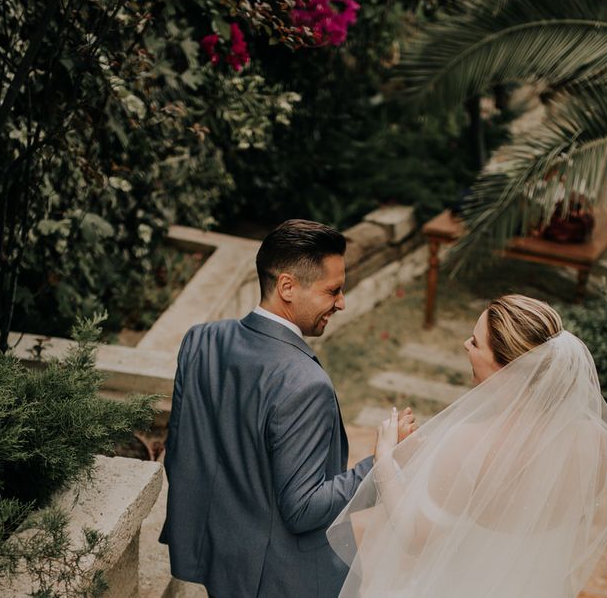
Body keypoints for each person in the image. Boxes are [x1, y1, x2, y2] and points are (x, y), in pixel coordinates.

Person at [159, 219, 416, 598]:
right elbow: (302, 510)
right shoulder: (304, 383)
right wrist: (382, 463)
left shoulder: (201, 340)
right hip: (278, 579)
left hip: (215, 558)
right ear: (287, 287)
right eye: (333, 291)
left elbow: (181, 452)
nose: (342, 303)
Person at [328, 295, 607, 598]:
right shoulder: (599, 442)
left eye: (474, 342)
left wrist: (385, 461)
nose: (465, 346)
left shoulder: (468, 444)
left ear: (508, 368)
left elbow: (415, 535)